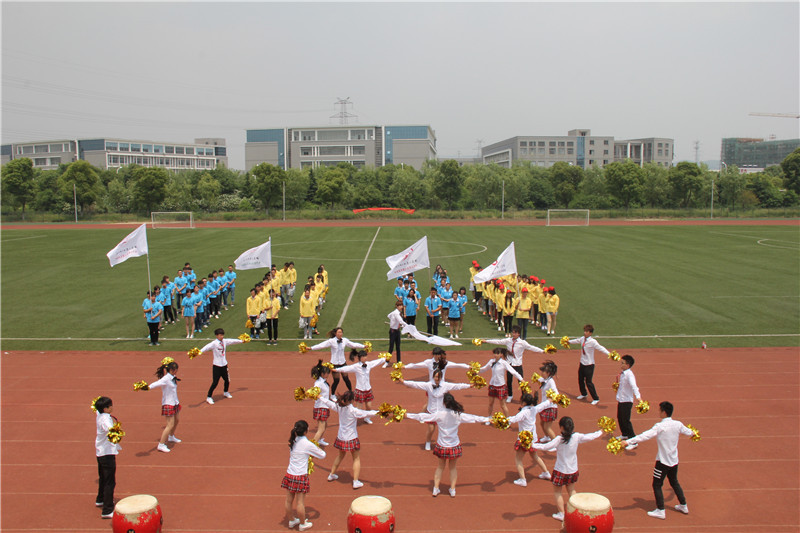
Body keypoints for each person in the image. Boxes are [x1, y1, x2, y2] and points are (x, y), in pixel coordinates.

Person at [407, 393, 489, 497]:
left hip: (442, 446)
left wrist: (406, 415)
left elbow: (422, 416)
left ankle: (435, 489)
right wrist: (488, 419)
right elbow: (474, 418)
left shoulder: (439, 414)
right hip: (454, 446)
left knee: (440, 467)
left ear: (444, 403)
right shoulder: (458, 414)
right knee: (453, 468)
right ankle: (453, 490)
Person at [625, 401, 694, 520]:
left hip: (662, 462)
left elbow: (645, 436)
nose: (658, 412)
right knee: (674, 482)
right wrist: (693, 433)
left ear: (664, 412)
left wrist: (627, 441)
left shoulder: (660, 426)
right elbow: (689, 432)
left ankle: (660, 510)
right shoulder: (678, 424)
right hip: (674, 461)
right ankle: (683, 505)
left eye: (660, 410)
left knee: (657, 484)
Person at [532, 416, 603, 521]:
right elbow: (590, 436)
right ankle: (577, 510)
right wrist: (601, 431)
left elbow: (546, 446)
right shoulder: (577, 436)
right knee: (572, 490)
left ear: (561, 428)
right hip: (573, 470)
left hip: (560, 471)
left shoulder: (559, 439)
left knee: (557, 492)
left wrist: (532, 444)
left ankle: (561, 514)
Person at [397, 369, 472, 451]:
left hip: (442, 412)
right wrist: (403, 381)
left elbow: (457, 386)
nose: (437, 379)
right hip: (431, 411)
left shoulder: (445, 385)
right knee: (431, 429)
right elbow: (416, 384)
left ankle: (444, 443)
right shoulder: (428, 385)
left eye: (439, 377)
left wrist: (469, 385)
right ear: (433, 377)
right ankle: (428, 442)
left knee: (443, 429)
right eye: (436, 377)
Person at [317, 391, 377, 489]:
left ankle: (331, 474)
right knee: (356, 458)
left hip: (341, 437)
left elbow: (328, 403)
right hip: (351, 437)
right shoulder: (353, 411)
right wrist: (382, 412)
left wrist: (319, 396)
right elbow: (367, 413)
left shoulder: (339, 407)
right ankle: (355, 481)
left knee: (340, 456)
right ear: (352, 400)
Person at [481, 325, 545, 403]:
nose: (513, 334)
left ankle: (524, 397)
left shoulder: (522, 343)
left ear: (518, 334)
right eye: (513, 332)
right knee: (509, 381)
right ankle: (510, 396)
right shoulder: (508, 340)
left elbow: (531, 347)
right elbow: (498, 341)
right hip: (509, 364)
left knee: (521, 381)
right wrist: (486, 341)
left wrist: (542, 351)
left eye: (515, 333)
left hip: (518, 364)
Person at [282, 420, 325, 532]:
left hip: (290, 473)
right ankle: (302, 523)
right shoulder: (307, 444)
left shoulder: (293, 440)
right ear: (306, 431)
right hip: (300, 475)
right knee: (300, 502)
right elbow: (322, 455)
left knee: (288, 500)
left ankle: (291, 520)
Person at [507, 392, 554, 486]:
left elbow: (514, 419)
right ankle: (546, 473)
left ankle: (522, 479)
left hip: (524, 439)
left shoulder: (523, 412)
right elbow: (542, 405)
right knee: (535, 456)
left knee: (518, 459)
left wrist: (502, 420)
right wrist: (550, 400)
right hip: (533, 438)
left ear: (523, 402)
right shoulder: (533, 409)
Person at [310, 327, 365, 395]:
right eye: (339, 332)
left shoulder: (345, 340)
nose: (340, 334)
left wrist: (363, 346)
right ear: (335, 333)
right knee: (336, 380)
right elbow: (321, 345)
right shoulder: (331, 341)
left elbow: (353, 344)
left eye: (341, 332)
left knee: (346, 379)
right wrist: (311, 348)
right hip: (334, 364)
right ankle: (333, 395)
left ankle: (351, 393)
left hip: (343, 363)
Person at [336, 349, 385, 422]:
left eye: (366, 356)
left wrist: (384, 359)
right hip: (360, 389)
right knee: (359, 408)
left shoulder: (368, 364)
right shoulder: (356, 366)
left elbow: (376, 362)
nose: (365, 357)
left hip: (368, 389)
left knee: (369, 406)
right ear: (360, 358)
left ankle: (367, 418)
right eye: (364, 356)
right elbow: (346, 368)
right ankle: (355, 419)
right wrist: (336, 370)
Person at [568, 324, 611, 405]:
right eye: (584, 331)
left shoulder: (593, 342)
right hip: (582, 363)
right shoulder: (582, 339)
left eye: (587, 331)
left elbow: (601, 348)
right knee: (580, 379)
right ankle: (584, 393)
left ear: (590, 333)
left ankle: (596, 398)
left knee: (588, 382)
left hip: (589, 364)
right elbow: (576, 340)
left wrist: (609, 354)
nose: (585, 333)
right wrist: (568, 341)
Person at [199, 328, 243, 405]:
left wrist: (242, 341)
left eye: (222, 335)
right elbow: (206, 347)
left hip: (224, 365)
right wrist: (199, 352)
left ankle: (226, 392)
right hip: (217, 365)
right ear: (216, 335)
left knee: (227, 380)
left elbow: (232, 341)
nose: (222, 336)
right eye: (220, 335)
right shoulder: (214, 343)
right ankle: (209, 397)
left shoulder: (224, 341)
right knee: (215, 382)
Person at [94, 396, 120, 518]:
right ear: (105, 408)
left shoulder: (99, 414)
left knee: (103, 478)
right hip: (107, 453)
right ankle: (107, 510)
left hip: (100, 452)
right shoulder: (105, 419)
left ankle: (100, 499)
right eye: (110, 406)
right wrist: (116, 433)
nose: (112, 407)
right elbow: (110, 430)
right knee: (110, 481)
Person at [148, 360, 182, 453]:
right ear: (171, 370)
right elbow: (156, 384)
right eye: (175, 369)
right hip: (168, 403)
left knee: (177, 420)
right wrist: (147, 387)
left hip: (175, 402)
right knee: (170, 424)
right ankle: (161, 444)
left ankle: (171, 436)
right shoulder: (166, 378)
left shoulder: (173, 377)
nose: (176, 371)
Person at [478, 347, 523, 417]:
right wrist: (476, 371)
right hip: (492, 385)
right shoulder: (491, 361)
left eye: (497, 353)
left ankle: (508, 419)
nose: (495, 355)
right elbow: (484, 369)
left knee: (503, 405)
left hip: (501, 386)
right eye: (494, 353)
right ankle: (489, 418)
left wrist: (521, 379)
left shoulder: (504, 363)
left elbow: (513, 372)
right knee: (490, 404)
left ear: (501, 354)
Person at [404, 347, 470, 383]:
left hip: (442, 384)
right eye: (435, 354)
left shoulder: (444, 362)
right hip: (431, 384)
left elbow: (457, 365)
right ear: (433, 354)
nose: (436, 356)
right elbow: (416, 365)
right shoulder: (428, 362)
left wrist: (468, 366)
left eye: (438, 354)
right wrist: (405, 366)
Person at [616, 354, 642, 442]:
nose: (621, 364)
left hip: (626, 401)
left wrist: (638, 397)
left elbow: (634, 386)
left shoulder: (629, 375)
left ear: (627, 365)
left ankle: (633, 440)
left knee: (626, 421)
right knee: (620, 418)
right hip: (621, 399)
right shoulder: (623, 373)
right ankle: (625, 434)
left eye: (622, 363)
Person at [536, 360, 560, 441]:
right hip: (545, 406)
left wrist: (551, 398)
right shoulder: (545, 380)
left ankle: (555, 443)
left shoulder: (551, 382)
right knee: (542, 423)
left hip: (550, 407)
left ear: (548, 373)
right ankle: (547, 437)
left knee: (547, 427)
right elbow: (540, 379)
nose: (542, 373)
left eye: (543, 371)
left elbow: (556, 393)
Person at [310, 360, 333, 446]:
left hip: (324, 406)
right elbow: (314, 391)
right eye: (327, 373)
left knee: (325, 425)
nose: (328, 374)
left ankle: (319, 440)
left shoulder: (323, 382)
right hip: (321, 407)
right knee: (321, 428)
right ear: (322, 374)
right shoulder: (318, 383)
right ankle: (313, 446)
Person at [386, 301, 407, 365]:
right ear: (397, 306)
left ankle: (399, 361)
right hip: (393, 332)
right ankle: (387, 361)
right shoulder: (396, 313)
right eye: (400, 305)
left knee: (398, 347)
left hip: (397, 331)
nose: (401, 307)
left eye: (402, 305)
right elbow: (400, 321)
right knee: (391, 347)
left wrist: (394, 321)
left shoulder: (396, 313)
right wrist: (406, 325)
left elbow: (389, 316)